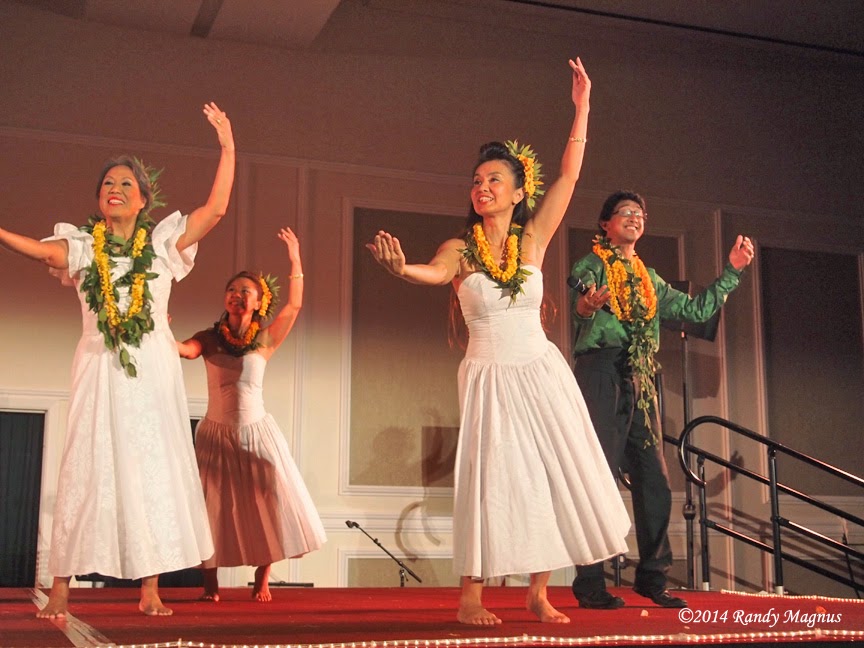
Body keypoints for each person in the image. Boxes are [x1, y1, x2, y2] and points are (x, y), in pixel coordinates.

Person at [367, 58, 629, 626]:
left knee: (547, 474)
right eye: (477, 180)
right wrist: (401, 270)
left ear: (517, 192)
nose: (482, 188)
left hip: (540, 369)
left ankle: (538, 591)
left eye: (493, 180)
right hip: (488, 373)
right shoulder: (460, 249)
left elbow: (570, 177)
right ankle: (471, 596)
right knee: (492, 480)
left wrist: (582, 108)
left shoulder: (532, 239)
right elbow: (435, 273)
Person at [0, 102, 235, 617]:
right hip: (99, 365)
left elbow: (215, 210)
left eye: (127, 183)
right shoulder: (85, 246)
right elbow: (40, 251)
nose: (115, 187)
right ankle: (61, 587)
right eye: (108, 182)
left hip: (153, 370)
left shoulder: (164, 244)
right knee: (86, 467)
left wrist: (227, 145)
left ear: (144, 200)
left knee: (151, 467)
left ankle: (150, 587)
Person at [568, 190, 755, 609]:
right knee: (599, 474)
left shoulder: (649, 279)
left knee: (654, 479)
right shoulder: (591, 264)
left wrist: (733, 270)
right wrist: (586, 306)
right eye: (625, 212)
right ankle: (591, 581)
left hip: (642, 375)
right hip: (602, 371)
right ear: (605, 224)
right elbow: (580, 306)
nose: (634, 217)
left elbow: (697, 310)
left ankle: (652, 578)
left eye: (640, 213)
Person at [177, 226, 326, 603]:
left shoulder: (265, 339)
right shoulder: (209, 338)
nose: (237, 295)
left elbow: (294, 306)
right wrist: (159, 332)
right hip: (215, 433)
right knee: (211, 507)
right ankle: (210, 585)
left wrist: (295, 257)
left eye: (245, 291)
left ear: (259, 302)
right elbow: (186, 350)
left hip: (257, 431)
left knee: (268, 501)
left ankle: (262, 579)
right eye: (232, 290)